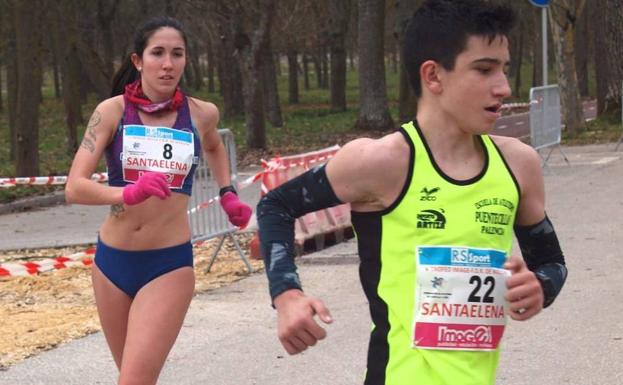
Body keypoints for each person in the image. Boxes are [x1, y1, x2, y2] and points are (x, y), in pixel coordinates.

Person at [256, 1, 568, 384]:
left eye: (504, 68)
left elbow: (551, 263)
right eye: (484, 69)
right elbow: (276, 205)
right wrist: (287, 294)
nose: (503, 86)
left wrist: (539, 287)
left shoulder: (518, 165)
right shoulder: (382, 161)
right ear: (433, 76)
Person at [65, 16, 251, 385]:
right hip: (111, 263)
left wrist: (227, 191)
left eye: (177, 54)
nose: (168, 64)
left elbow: (214, 146)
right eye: (158, 53)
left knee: (133, 381)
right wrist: (127, 192)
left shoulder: (201, 114)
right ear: (138, 60)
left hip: (167, 264)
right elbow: (74, 187)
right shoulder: (111, 111)